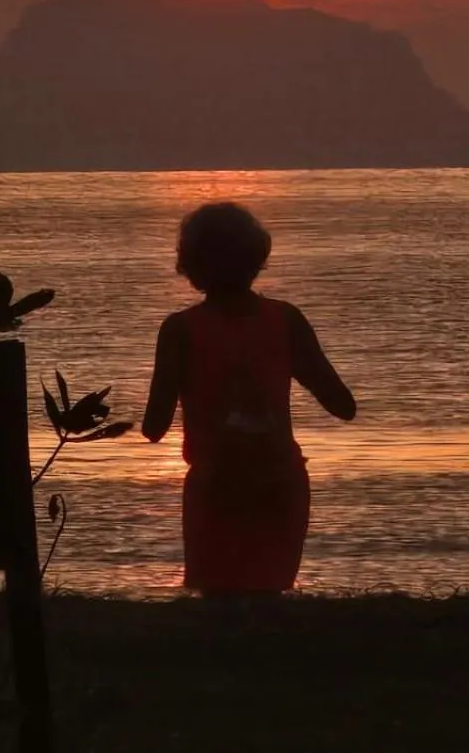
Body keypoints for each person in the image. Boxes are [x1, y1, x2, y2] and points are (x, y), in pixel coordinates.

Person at [142, 201, 356, 594]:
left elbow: (154, 428)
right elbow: (343, 406)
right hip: (279, 482)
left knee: (217, 604)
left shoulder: (180, 330)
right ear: (256, 257)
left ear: (190, 263)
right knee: (270, 600)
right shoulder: (286, 319)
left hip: (217, 486)